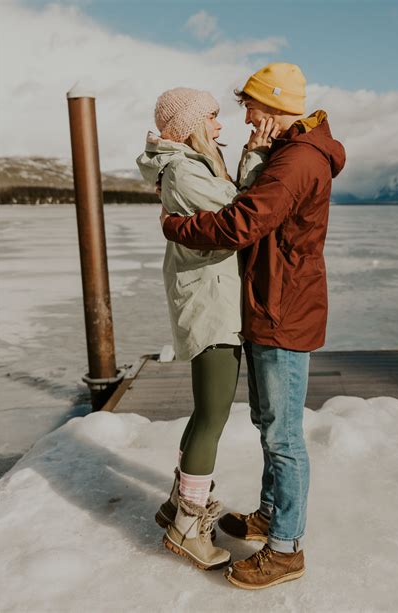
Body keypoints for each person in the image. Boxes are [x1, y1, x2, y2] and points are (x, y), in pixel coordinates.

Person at [161, 63, 346, 589]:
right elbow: (251, 206)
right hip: (271, 304)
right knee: (269, 424)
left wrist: (176, 227)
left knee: (284, 436)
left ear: (273, 106)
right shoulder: (287, 153)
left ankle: (285, 548)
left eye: (249, 106)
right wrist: (256, 155)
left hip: (283, 310)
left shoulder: (298, 161)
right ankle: (269, 515)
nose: (243, 117)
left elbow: (242, 222)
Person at [136, 87, 278, 571]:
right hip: (210, 306)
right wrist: (257, 155)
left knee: (205, 415)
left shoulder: (192, 165)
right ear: (190, 123)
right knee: (213, 416)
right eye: (214, 118)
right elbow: (244, 211)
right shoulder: (183, 170)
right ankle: (187, 528)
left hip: (212, 300)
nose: (221, 126)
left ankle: (179, 505)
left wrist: (247, 156)